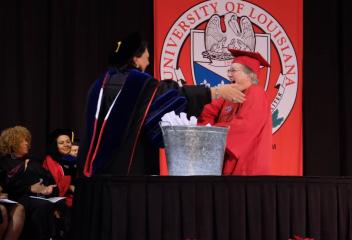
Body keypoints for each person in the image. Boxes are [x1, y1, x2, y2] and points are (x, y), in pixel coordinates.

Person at [79, 32, 247, 177]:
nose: (148, 63)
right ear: (136, 59)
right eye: (147, 58)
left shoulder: (100, 83)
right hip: (125, 174)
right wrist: (215, 92)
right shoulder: (137, 83)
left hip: (95, 176)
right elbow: (169, 97)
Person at [198, 49, 272, 175]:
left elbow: (245, 126)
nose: (229, 75)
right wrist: (204, 129)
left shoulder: (256, 93)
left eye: (234, 70)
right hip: (227, 164)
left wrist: (211, 132)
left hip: (247, 167)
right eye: (229, 70)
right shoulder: (229, 96)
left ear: (250, 75)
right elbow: (207, 112)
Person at [0, 125, 60, 239]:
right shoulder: (3, 164)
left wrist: (49, 189)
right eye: (23, 141)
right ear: (13, 143)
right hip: (16, 199)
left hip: (36, 198)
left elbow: (50, 182)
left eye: (27, 140)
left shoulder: (34, 162)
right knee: (41, 206)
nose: (27, 143)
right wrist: (30, 188)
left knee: (47, 205)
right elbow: (7, 186)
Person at [43, 128, 76, 207]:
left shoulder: (74, 160)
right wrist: (70, 186)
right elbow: (55, 185)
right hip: (58, 197)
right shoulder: (50, 161)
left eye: (68, 142)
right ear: (55, 146)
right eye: (61, 143)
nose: (66, 145)